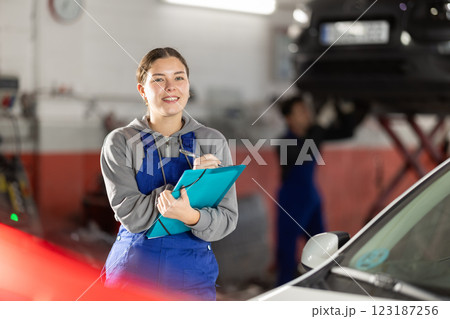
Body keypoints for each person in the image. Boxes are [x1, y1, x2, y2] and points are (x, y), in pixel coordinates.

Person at [100, 47, 238, 300]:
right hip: (132, 275)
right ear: (142, 90)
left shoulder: (212, 141)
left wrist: (193, 217)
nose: (170, 86)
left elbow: (227, 219)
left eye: (179, 77)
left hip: (191, 276)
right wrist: (191, 188)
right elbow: (131, 214)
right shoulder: (120, 142)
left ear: (188, 85)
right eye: (159, 79)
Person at [275, 95, 360, 286]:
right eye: (301, 112)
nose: (307, 114)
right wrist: (321, 124)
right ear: (289, 119)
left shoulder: (314, 134)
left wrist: (344, 109)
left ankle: (322, 289)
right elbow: (305, 152)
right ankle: (281, 294)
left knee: (324, 249)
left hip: (312, 198)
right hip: (292, 199)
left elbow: (348, 131)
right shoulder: (284, 142)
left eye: (307, 110)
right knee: (287, 254)